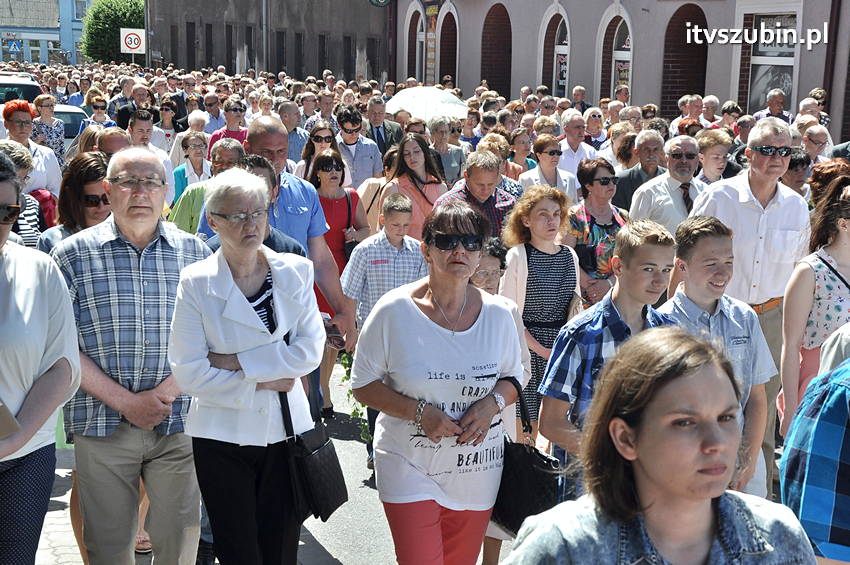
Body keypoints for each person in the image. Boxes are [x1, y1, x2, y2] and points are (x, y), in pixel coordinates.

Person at [506, 327, 817, 564]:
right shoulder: (563, 548)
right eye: (685, 422)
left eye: (726, 417)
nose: (716, 443)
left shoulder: (779, 537)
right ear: (625, 438)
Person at [50, 147, 209, 564]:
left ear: (167, 191)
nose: (140, 191)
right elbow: (62, 347)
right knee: (107, 550)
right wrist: (128, 403)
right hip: (101, 422)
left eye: (151, 182)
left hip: (179, 420)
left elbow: (212, 338)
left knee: (179, 546)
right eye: (128, 182)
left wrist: (163, 395)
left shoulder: (196, 254)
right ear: (108, 189)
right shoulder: (70, 255)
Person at [351, 201, 523, 565]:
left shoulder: (500, 314)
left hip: (477, 471)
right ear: (426, 250)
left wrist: (490, 405)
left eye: (471, 242)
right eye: (446, 241)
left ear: (480, 253)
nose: (459, 250)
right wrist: (419, 412)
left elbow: (513, 377)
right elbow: (363, 384)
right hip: (408, 462)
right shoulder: (393, 311)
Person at [168, 167, 324, 564]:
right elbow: (188, 371)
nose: (251, 224)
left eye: (258, 212)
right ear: (213, 221)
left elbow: (309, 352)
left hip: (285, 430)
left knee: (280, 552)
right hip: (220, 436)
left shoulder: (295, 270)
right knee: (238, 552)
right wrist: (264, 380)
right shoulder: (196, 281)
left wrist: (235, 362)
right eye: (238, 215)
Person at [691, 117, 810, 490]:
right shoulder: (719, 197)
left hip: (771, 317)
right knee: (708, 400)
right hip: (718, 313)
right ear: (748, 153)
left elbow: (800, 270)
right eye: (767, 150)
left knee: (765, 407)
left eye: (785, 152)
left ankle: (757, 495)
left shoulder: (796, 206)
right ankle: (702, 487)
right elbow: (687, 253)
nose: (777, 159)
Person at [538, 220, 674, 501]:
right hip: (591, 490)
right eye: (648, 269)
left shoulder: (668, 334)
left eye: (666, 270)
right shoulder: (581, 334)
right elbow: (550, 422)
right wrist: (611, 455)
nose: (660, 281)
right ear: (618, 266)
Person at [0, 151, 81, 565]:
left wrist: (14, 440)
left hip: (24, 456)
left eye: (7, 212)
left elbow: (61, 366)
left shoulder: (39, 270)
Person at [657, 216, 774, 497]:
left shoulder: (744, 317)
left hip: (742, 463)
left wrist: (748, 462)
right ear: (681, 266)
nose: (723, 272)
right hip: (685, 464)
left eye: (729, 262)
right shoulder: (661, 324)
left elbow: (757, 398)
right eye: (711, 264)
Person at [340, 192, 429, 468]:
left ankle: (403, 446)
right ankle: (374, 450)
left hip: (408, 334)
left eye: (406, 225)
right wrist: (351, 331)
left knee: (405, 388)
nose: (401, 231)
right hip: (373, 333)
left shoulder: (416, 251)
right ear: (382, 220)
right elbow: (350, 293)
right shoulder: (366, 250)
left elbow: (424, 293)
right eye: (395, 225)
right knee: (375, 390)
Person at [500, 185, 579, 441]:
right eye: (543, 215)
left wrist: (561, 350)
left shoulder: (570, 256)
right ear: (526, 220)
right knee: (527, 434)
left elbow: (575, 310)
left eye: (556, 214)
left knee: (560, 428)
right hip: (526, 352)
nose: (551, 221)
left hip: (561, 350)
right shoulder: (517, 256)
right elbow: (508, 316)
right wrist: (541, 350)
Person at [778, 175, 850, 435]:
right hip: (820, 387)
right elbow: (791, 346)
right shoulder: (810, 271)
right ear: (843, 224)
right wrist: (790, 410)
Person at [309, 148, 369, 418]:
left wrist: (354, 234)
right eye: (327, 166)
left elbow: (366, 229)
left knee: (335, 332)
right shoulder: (310, 197)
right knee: (316, 333)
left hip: (341, 271)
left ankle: (323, 388)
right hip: (316, 271)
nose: (334, 171)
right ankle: (317, 391)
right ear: (318, 173)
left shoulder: (351, 197)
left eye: (337, 167)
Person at [563, 158, 630, 305]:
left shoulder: (623, 216)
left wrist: (609, 284)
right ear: (588, 185)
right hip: (583, 297)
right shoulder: (574, 216)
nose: (611, 185)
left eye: (614, 180)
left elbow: (630, 257)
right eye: (605, 181)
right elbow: (565, 256)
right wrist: (591, 287)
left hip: (617, 295)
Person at [630, 135, 707, 237]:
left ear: (698, 159)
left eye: (690, 156)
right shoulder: (647, 193)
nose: (684, 160)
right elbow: (634, 236)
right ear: (666, 158)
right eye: (677, 155)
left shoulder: (706, 191)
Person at [378, 133, 447, 241]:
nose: (412, 157)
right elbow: (381, 228)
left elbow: (446, 226)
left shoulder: (440, 187)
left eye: (416, 151)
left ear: (425, 152)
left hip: (434, 248)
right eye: (406, 154)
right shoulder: (393, 188)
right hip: (403, 250)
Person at [168, 137, 244, 233]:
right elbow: (177, 234)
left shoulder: (250, 195)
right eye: (219, 162)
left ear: (241, 165)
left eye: (231, 163)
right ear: (211, 163)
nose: (224, 166)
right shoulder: (193, 193)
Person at [434, 150, 516, 237]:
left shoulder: (508, 203)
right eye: (480, 184)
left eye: (490, 184)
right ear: (466, 176)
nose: (485, 190)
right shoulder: (446, 204)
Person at [3, 99, 61, 197]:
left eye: (27, 122)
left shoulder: (46, 154)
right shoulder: (1, 153)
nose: (23, 127)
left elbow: (57, 191)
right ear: (6, 124)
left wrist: (41, 200)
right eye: (18, 122)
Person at [612, 129, 666, 211]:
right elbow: (619, 214)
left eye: (656, 149)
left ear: (662, 152)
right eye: (646, 149)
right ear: (636, 152)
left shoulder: (670, 177)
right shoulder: (622, 180)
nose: (651, 154)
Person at [518, 134, 579, 203]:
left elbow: (574, 206)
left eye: (558, 153)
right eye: (551, 153)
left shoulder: (570, 178)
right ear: (539, 155)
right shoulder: (525, 179)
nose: (556, 156)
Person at [335, 105, 382, 189]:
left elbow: (378, 178)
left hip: (367, 196)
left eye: (357, 130)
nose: (354, 134)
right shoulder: (332, 147)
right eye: (349, 131)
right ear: (339, 126)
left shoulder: (371, 146)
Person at [294, 121, 352, 186]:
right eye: (318, 139)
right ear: (312, 140)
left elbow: (345, 188)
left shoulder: (341, 165)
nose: (323, 143)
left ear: (332, 140)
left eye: (328, 139)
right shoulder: (302, 166)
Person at [172, 131, 212, 203]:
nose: (198, 150)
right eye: (193, 146)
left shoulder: (214, 169)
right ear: (185, 150)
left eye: (201, 146)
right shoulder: (178, 173)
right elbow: (178, 203)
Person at [430, 116, 466, 186]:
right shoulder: (427, 152)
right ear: (433, 133)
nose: (443, 135)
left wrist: (455, 183)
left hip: (454, 189)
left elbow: (464, 175)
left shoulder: (458, 151)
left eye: (446, 132)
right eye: (440, 132)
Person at [558, 110, 597, 176]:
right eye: (577, 127)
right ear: (566, 129)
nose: (581, 131)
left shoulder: (591, 152)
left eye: (583, 127)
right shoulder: (557, 151)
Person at [31, 94, 66, 168]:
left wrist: (65, 163)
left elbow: (62, 146)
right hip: (41, 163)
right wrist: (37, 140)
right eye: (47, 105)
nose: (51, 108)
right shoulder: (34, 124)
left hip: (58, 163)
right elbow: (29, 146)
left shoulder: (60, 123)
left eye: (52, 105)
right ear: (39, 108)